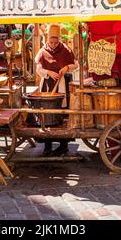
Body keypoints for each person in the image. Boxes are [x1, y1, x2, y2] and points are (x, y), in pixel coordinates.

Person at [35, 24, 78, 156]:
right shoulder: (43, 51)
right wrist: (48, 72)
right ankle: (47, 146)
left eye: (56, 42)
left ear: (59, 39)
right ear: (47, 39)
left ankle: (63, 145)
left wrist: (66, 68)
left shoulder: (65, 49)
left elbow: (75, 65)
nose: (53, 45)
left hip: (62, 85)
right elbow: (38, 69)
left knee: (61, 113)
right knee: (47, 114)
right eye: (51, 42)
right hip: (47, 85)